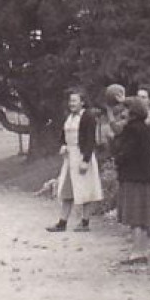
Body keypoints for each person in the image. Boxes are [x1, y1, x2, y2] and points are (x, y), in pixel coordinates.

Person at [46, 88, 103, 232]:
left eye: (74, 101)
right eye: (70, 101)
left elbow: (90, 140)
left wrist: (86, 160)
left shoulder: (88, 117)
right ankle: (62, 222)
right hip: (70, 156)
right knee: (67, 188)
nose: (71, 104)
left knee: (85, 187)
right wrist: (63, 145)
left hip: (82, 154)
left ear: (82, 102)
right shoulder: (69, 117)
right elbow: (63, 136)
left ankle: (85, 222)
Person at [113, 96, 150, 261]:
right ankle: (142, 250)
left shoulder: (131, 129)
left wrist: (117, 156)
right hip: (143, 176)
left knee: (135, 216)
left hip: (132, 176)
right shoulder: (145, 129)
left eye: (126, 109)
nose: (123, 113)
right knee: (142, 216)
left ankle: (137, 253)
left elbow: (125, 153)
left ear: (131, 111)